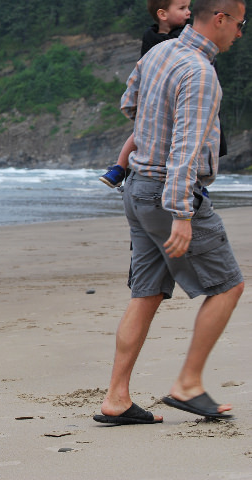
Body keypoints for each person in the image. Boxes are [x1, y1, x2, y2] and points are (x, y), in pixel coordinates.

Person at [94, 0, 246, 425]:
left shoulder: (159, 52)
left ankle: (116, 399)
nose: (239, 34)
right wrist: (181, 213)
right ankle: (188, 385)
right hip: (167, 194)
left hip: (138, 188)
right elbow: (185, 149)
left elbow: (130, 104)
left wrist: (152, 121)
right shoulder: (200, 73)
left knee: (145, 294)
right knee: (228, 286)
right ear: (220, 19)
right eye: (240, 24)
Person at [99, 0, 191, 188]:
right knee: (139, 134)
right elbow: (143, 68)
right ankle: (119, 167)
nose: (189, 12)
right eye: (182, 8)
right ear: (162, 14)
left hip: (176, 96)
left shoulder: (186, 34)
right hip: (154, 96)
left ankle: (197, 185)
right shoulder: (151, 37)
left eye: (189, 7)